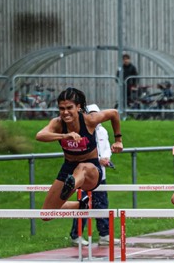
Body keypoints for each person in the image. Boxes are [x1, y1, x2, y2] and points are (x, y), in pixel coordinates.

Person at [36, 87, 123, 219]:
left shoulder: (90, 120)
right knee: (46, 215)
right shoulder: (58, 123)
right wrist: (64, 136)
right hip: (68, 168)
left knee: (81, 168)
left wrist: (118, 140)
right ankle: (81, 205)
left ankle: (71, 184)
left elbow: (114, 113)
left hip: (91, 171)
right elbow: (40, 135)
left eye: (69, 108)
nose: (65, 113)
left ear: (78, 107)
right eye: (61, 109)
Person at [69, 104, 120, 247]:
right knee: (83, 204)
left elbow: (106, 148)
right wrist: (98, 159)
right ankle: (76, 235)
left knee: (102, 204)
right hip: (85, 177)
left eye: (96, 115)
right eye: (91, 115)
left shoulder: (103, 131)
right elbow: (83, 152)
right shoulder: (81, 132)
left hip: (100, 176)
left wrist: (106, 158)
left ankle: (104, 234)